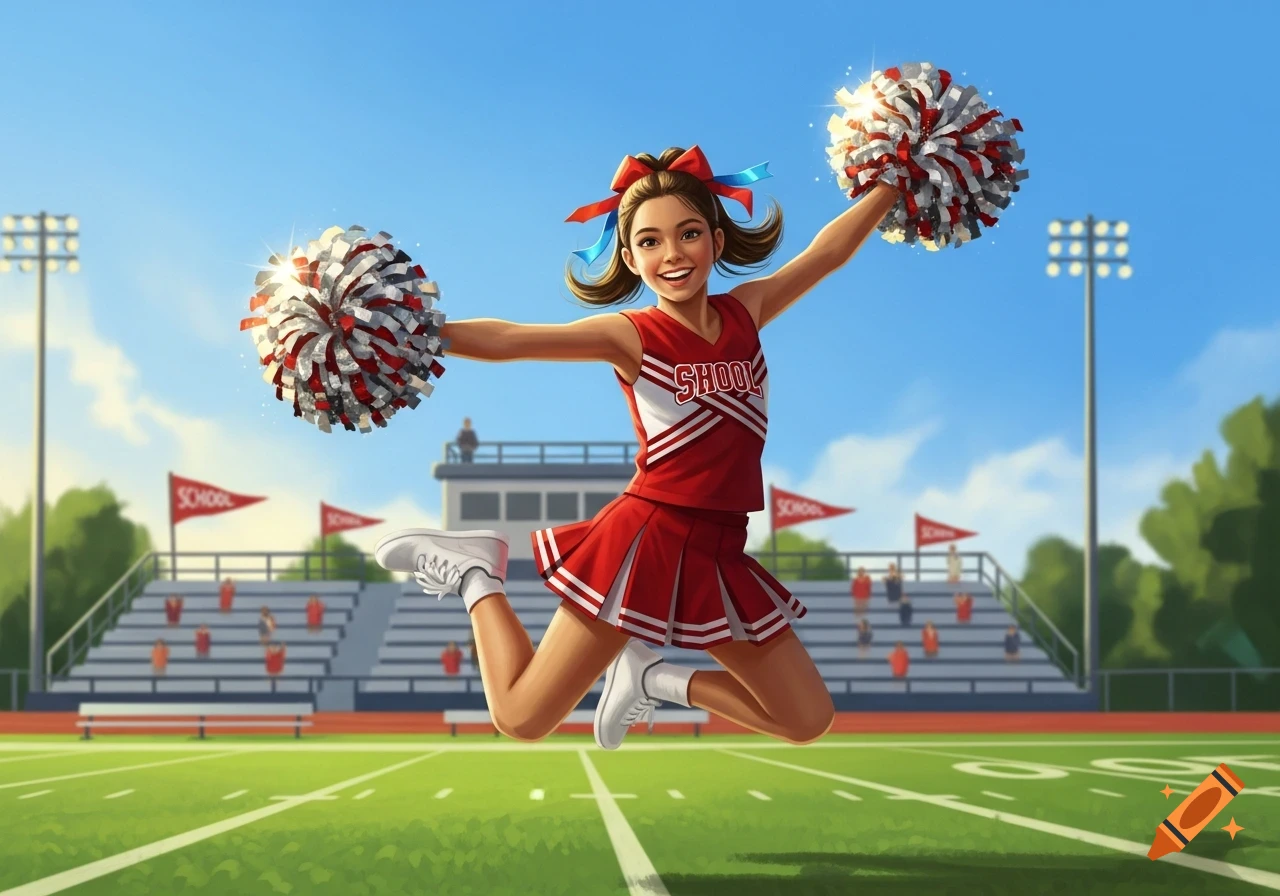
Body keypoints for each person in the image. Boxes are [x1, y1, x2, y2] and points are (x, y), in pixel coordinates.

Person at [374, 144, 903, 751]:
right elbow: (510, 340)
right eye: (650, 242)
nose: (672, 255)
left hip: (721, 548)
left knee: (806, 718)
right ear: (629, 257)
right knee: (522, 717)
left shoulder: (747, 312)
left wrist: (897, 176)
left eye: (688, 234)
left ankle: (657, 677)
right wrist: (404, 330)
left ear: (718, 241)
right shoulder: (630, 335)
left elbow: (827, 254)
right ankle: (474, 574)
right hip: (647, 541)